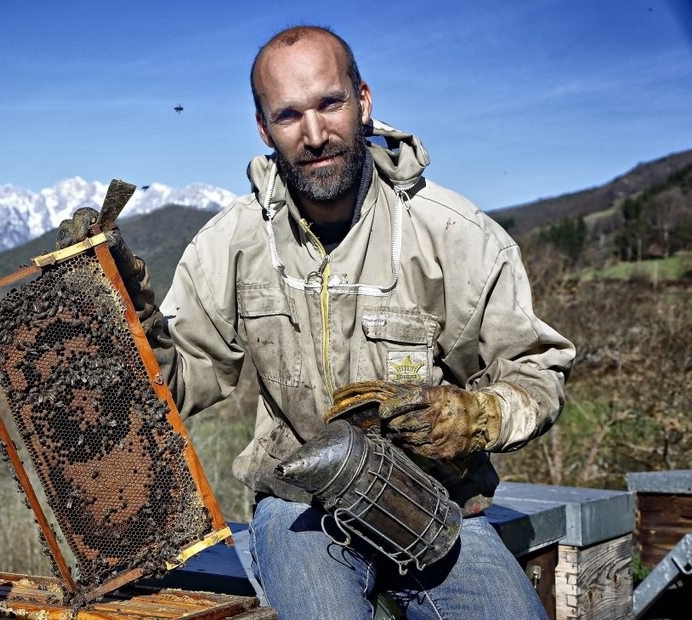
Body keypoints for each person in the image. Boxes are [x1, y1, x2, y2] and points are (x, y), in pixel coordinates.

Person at [57, 24, 574, 619]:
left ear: (364, 101)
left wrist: (477, 415)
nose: (315, 133)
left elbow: (537, 372)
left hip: (438, 499)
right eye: (289, 114)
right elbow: (178, 381)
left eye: (330, 103)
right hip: (298, 503)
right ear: (263, 128)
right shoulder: (232, 241)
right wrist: (130, 315)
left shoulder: (456, 233)